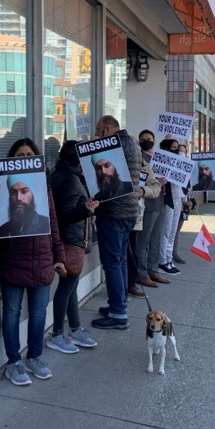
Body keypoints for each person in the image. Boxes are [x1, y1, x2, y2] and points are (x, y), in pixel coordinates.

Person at [0, 138, 67, 386]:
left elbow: (53, 222)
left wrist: (59, 257)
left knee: (39, 312)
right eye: (19, 155)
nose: (23, 158)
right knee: (11, 312)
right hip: (12, 260)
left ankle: (35, 357)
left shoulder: (45, 187)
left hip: (42, 260)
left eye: (28, 154)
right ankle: (14, 362)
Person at [45, 139, 100, 354]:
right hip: (70, 240)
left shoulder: (64, 174)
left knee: (71, 287)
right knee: (67, 287)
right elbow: (64, 214)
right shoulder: (69, 179)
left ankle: (75, 328)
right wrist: (86, 209)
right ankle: (58, 333)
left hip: (71, 239)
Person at [90, 115, 142, 330]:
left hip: (113, 213)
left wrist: (92, 144)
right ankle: (118, 304)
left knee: (112, 263)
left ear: (108, 128)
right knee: (119, 261)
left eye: (100, 129)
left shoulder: (114, 144)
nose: (98, 133)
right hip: (128, 212)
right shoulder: (131, 144)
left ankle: (118, 314)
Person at [128, 130, 171, 297]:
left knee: (155, 239)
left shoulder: (159, 158)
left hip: (160, 202)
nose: (146, 141)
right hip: (147, 204)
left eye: (149, 139)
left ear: (154, 140)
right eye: (143, 139)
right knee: (143, 241)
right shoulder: (140, 159)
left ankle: (153, 269)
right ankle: (142, 273)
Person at [156, 137, 184, 277]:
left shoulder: (178, 162)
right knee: (166, 232)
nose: (177, 150)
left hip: (177, 199)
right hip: (168, 200)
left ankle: (168, 258)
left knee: (172, 232)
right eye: (174, 148)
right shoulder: (161, 163)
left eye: (177, 147)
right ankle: (162, 260)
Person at [0, 173, 52, 237]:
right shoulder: (2, 230)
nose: (18, 198)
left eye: (24, 191)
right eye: (13, 192)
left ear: (32, 194)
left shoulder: (46, 224)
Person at [171, 143, 193, 265]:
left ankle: (174, 252)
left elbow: (187, 187)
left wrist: (187, 201)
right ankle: (169, 254)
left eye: (184, 152)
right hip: (173, 204)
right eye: (179, 151)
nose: (181, 154)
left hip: (184, 204)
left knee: (177, 230)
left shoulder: (187, 169)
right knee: (170, 230)